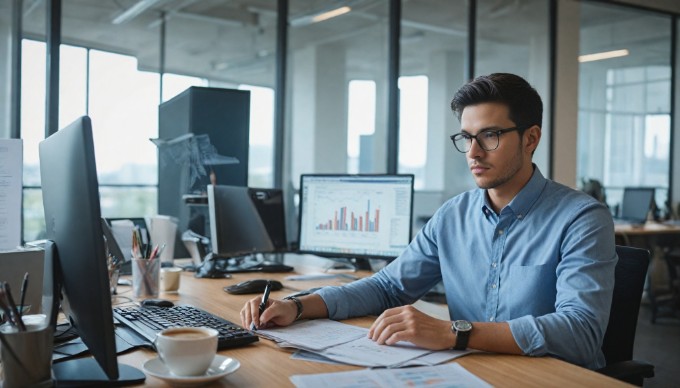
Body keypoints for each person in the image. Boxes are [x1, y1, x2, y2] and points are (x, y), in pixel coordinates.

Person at [241, 73, 617, 369]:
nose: (473, 152)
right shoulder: (454, 215)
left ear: (530, 138)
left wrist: (453, 332)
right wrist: (298, 306)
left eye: (490, 136)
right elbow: (388, 288)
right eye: (466, 137)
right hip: (473, 369)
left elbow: (581, 332)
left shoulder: (581, 218)